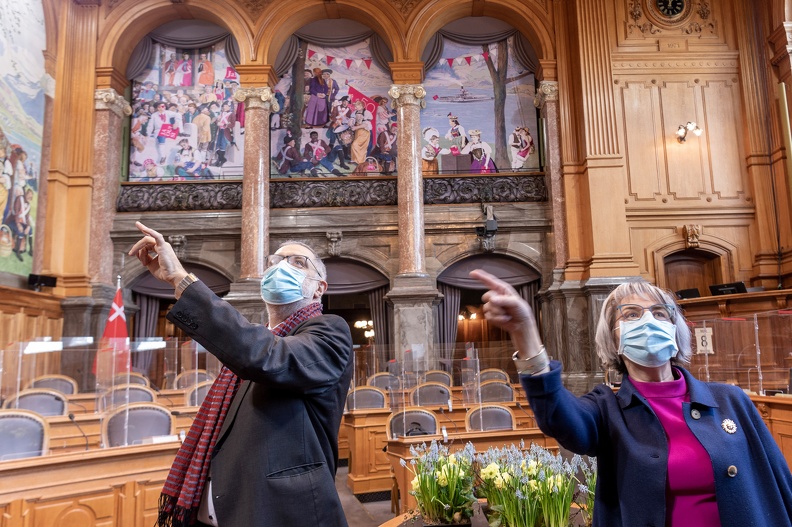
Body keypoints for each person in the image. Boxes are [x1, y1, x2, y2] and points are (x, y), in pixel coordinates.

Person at [470, 270, 792, 527]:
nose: (648, 321)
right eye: (632, 314)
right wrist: (527, 335)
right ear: (613, 337)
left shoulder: (731, 400)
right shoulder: (606, 410)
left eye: (658, 313)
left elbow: (780, 482)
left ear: (675, 328)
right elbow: (559, 417)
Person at [129, 222, 353, 527]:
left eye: (297, 262)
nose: (281, 267)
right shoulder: (249, 342)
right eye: (274, 262)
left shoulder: (329, 331)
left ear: (319, 289)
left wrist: (181, 280)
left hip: (280, 514)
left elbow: (268, 357)